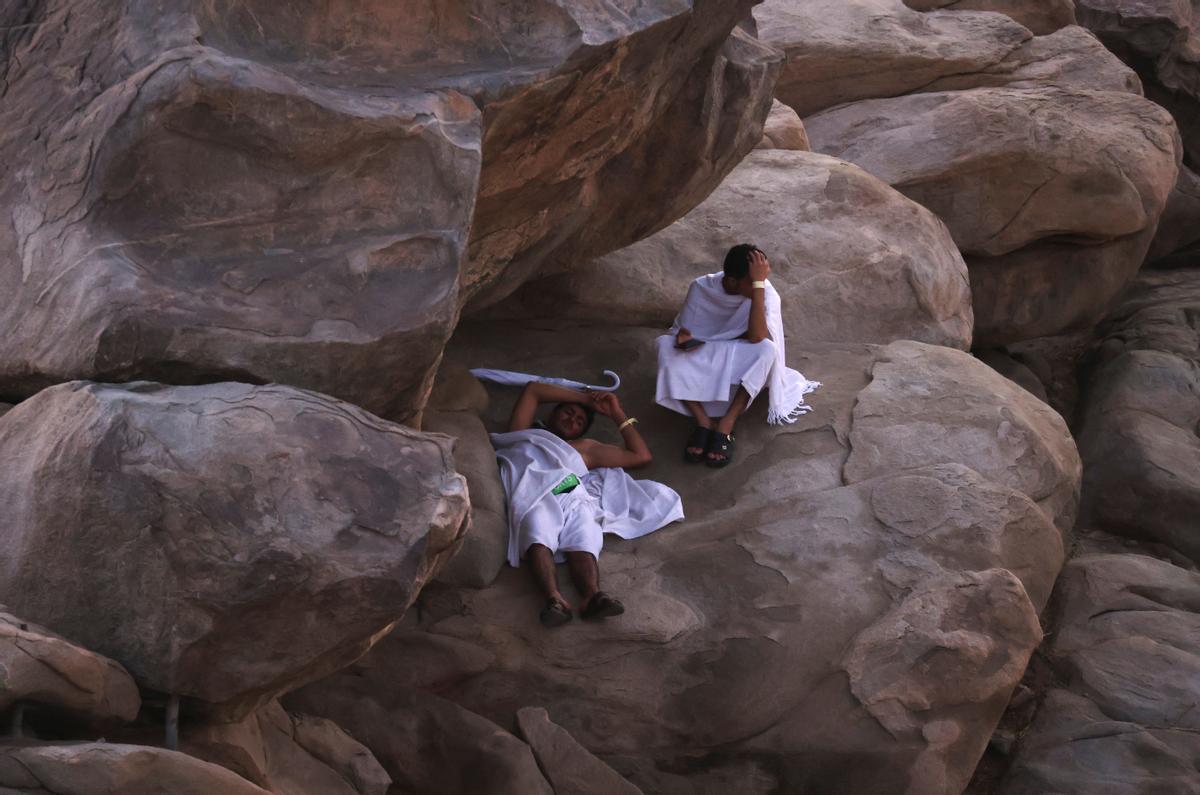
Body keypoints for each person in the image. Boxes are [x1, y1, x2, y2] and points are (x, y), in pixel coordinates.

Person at [492, 382, 683, 627]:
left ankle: (592, 596)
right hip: (532, 492)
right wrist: (585, 400)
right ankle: (554, 599)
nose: (572, 420)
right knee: (537, 529)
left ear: (580, 432)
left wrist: (616, 413)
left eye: (580, 421)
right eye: (568, 412)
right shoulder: (522, 434)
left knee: (584, 526)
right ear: (552, 412)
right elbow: (533, 390)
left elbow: (641, 456)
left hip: (567, 488)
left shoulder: (583, 449)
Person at [655, 244, 819, 467]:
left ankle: (727, 423)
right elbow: (685, 331)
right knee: (664, 347)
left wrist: (759, 286)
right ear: (732, 282)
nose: (760, 284)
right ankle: (703, 421)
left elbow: (758, 337)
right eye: (753, 281)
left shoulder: (764, 291)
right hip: (706, 351)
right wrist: (683, 337)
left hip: (738, 352)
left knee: (768, 350)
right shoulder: (702, 287)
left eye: (761, 278)